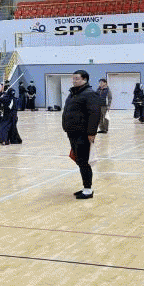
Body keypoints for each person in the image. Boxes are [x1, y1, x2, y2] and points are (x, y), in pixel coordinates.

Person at [63, 70, 101, 199]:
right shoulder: (73, 94)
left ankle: (88, 190)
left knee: (84, 161)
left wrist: (91, 132)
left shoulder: (90, 94)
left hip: (83, 133)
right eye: (73, 78)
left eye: (77, 79)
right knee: (79, 160)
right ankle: (85, 187)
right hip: (72, 132)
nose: (74, 81)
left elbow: (94, 114)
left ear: (84, 80)